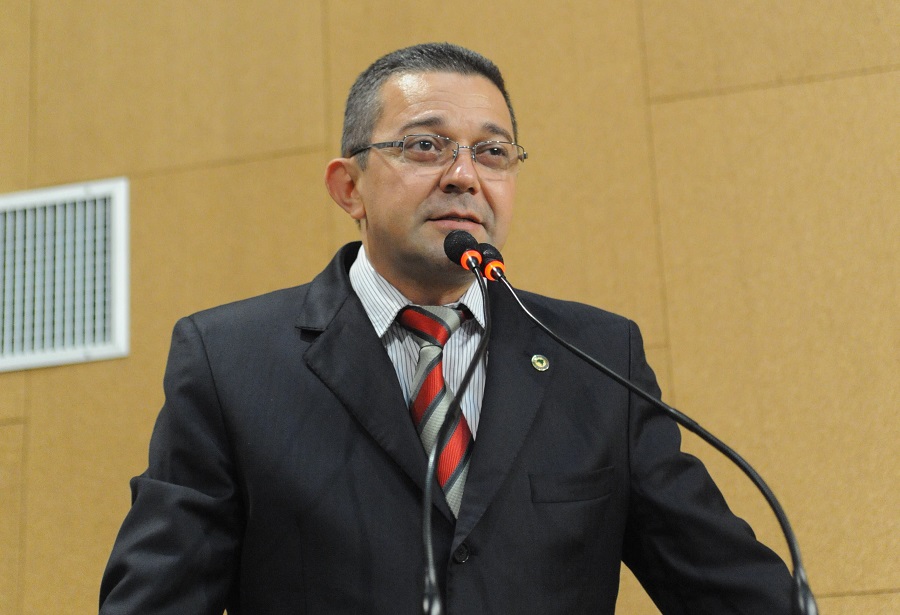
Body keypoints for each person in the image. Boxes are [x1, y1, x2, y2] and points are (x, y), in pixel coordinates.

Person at [100, 43, 793, 614]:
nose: (464, 176)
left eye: (493, 153)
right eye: (426, 146)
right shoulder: (231, 363)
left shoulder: (597, 360)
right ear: (349, 187)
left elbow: (727, 587)